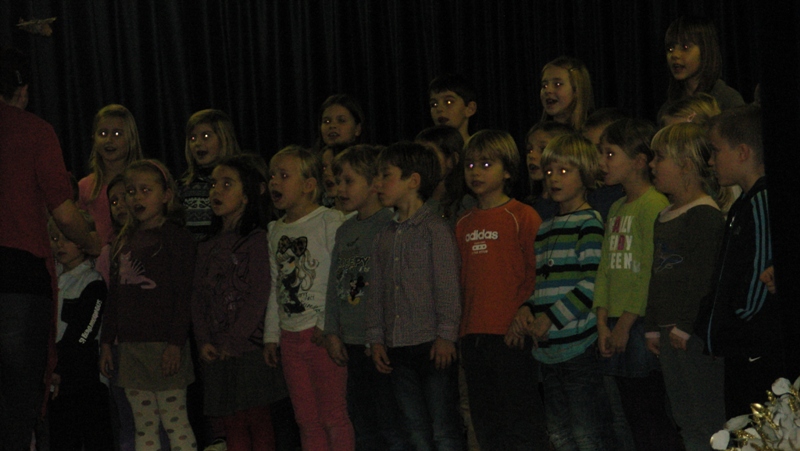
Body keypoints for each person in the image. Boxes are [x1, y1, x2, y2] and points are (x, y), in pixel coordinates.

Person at [0, 46, 100, 449]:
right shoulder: (34, 131)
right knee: (18, 403)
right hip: (19, 280)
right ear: (22, 91)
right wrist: (92, 242)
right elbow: (64, 213)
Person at [508, 133, 612, 451]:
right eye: (550, 170)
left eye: (564, 171)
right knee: (559, 434)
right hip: (548, 350)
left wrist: (551, 318)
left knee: (586, 433)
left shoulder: (589, 222)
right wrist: (527, 308)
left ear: (586, 174)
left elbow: (592, 282)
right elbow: (542, 284)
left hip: (578, 348)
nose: (554, 178)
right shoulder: (545, 228)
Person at [365, 142, 464, 451]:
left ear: (413, 181)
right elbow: (375, 291)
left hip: (432, 345)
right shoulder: (383, 235)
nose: (377, 184)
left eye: (386, 175)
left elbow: (447, 286)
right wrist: (376, 338)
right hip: (398, 348)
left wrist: (446, 335)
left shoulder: (435, 229)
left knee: (443, 427)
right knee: (414, 427)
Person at [456, 130, 547, 450]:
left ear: (507, 170)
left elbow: (537, 272)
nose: (476, 172)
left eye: (486, 164)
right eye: (470, 165)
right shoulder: (463, 222)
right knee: (486, 421)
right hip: (472, 336)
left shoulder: (522, 215)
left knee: (521, 420)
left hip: (510, 334)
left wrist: (523, 314)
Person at [593, 119, 681, 450]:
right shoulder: (616, 207)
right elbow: (605, 268)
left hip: (639, 323)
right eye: (601, 154)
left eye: (610, 154)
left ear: (639, 161)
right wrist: (602, 321)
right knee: (630, 415)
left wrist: (625, 324)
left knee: (650, 413)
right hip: (616, 323)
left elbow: (648, 271)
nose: (602, 162)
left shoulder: (654, 204)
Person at [99, 159, 197, 451]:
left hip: (165, 345)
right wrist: (107, 342)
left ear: (166, 195)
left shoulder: (177, 238)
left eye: (145, 190)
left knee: (175, 421)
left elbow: (183, 296)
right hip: (131, 348)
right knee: (144, 425)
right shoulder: (123, 240)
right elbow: (115, 296)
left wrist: (175, 344)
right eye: (131, 192)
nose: (136, 198)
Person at [192, 155, 287, 450]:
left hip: (247, 349)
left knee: (256, 419)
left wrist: (235, 340)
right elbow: (197, 297)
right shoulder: (206, 244)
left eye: (227, 184)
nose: (216, 191)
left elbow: (260, 293)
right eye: (213, 185)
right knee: (230, 421)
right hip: (217, 349)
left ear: (246, 196)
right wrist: (203, 340)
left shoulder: (256, 239)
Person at [262, 146, 354, 451]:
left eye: (284, 175)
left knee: (333, 416)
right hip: (290, 337)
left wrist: (327, 324)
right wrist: (271, 335)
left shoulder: (329, 221)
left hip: (321, 336)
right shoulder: (275, 230)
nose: (275, 182)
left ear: (309, 185)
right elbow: (276, 286)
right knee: (306, 419)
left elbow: (341, 277)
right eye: (272, 176)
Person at [697, 105, 784, 418]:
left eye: (716, 150)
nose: (710, 161)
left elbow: (760, 274)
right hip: (741, 346)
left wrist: (735, 323)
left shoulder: (761, 200)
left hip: (754, 348)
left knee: (755, 426)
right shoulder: (743, 203)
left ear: (743, 152)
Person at [646, 123, 726, 451]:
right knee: (683, 416)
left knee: (707, 418)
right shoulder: (664, 215)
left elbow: (704, 279)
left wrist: (685, 325)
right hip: (669, 333)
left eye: (659, 157)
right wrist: (653, 325)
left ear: (686, 165)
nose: (652, 164)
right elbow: (657, 277)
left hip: (691, 334)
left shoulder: (704, 214)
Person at [322, 145, 407, 450]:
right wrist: (332, 331)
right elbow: (335, 284)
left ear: (374, 184)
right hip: (352, 342)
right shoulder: (345, 230)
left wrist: (381, 335)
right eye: (337, 182)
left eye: (349, 181)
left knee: (391, 422)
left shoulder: (390, 225)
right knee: (363, 422)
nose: (340, 189)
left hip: (382, 343)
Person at [46, 213, 114, 450]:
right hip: (55, 377)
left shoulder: (93, 282)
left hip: (84, 377)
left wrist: (59, 366)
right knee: (61, 440)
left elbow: (84, 332)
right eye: (55, 238)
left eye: (67, 238)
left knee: (95, 439)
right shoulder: (51, 280)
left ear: (84, 241)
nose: (59, 245)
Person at [78, 104, 143, 245]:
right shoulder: (85, 186)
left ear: (131, 138)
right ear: (94, 139)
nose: (109, 140)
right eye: (103, 134)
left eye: (117, 134)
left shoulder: (146, 179)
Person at [661, 16, 745, 117]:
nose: (675, 55)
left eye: (685, 47)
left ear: (705, 51)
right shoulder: (668, 108)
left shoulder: (727, 100)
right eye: (670, 49)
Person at [180, 109, 242, 241]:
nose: (197, 143)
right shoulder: (183, 185)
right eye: (192, 138)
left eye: (206, 136)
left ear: (224, 138)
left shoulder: (239, 180)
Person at [415, 126, 475, 223]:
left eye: (430, 154)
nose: (422, 160)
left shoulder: (465, 205)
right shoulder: (415, 201)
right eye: (418, 155)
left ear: (452, 160)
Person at [522, 121, 573, 220]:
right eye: (530, 150)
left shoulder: (569, 205)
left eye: (543, 149)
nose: (531, 155)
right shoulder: (529, 205)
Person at [539, 56, 595, 130]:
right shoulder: (539, 134)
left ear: (577, 89)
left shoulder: (592, 132)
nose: (548, 90)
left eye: (557, 84)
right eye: (544, 85)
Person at [428, 74, 478, 142]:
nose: (439, 109)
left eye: (449, 102)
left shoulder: (481, 148)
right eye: (434, 104)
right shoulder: (426, 147)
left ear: (470, 109)